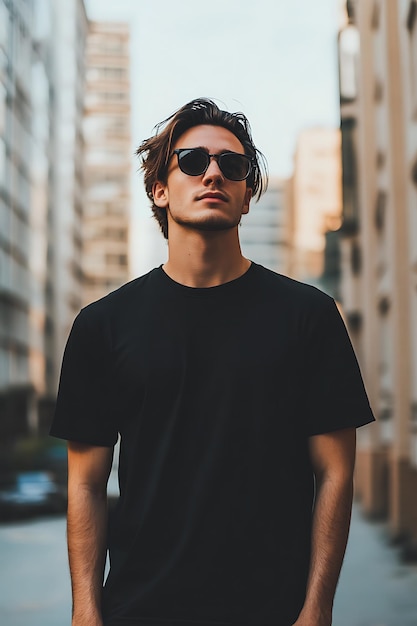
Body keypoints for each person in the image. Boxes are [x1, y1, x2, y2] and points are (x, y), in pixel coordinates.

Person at [50, 98, 375, 626]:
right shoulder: (101, 326)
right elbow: (86, 484)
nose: (214, 173)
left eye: (233, 165)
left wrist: (317, 610)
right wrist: (85, 612)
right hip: (141, 609)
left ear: (247, 197)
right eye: (193, 161)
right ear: (160, 189)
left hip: (273, 610)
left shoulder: (309, 316)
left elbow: (336, 473)